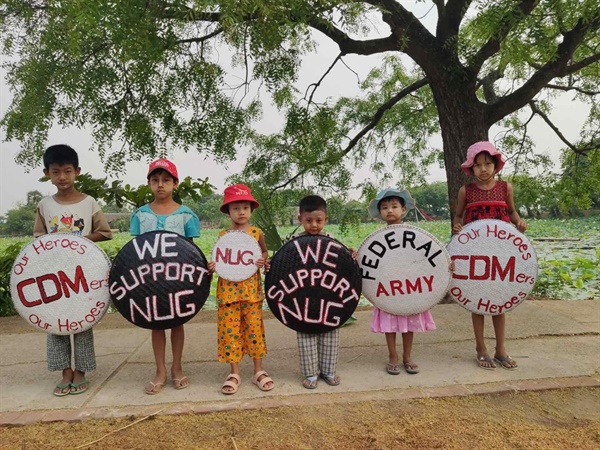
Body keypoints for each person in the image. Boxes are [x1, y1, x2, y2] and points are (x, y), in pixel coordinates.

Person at [33, 144, 113, 396]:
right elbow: (38, 238)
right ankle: (64, 371)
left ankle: (81, 372)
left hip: (83, 274)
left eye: (67, 171)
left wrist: (79, 241)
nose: (62, 177)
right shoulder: (45, 205)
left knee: (82, 321)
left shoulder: (89, 203)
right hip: (54, 275)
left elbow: (105, 232)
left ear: (77, 171)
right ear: (47, 173)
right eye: (56, 172)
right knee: (55, 321)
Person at [453, 141, 527, 370]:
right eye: (478, 165)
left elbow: (512, 211)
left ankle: (501, 349)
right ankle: (481, 348)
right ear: (471, 168)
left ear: (495, 165)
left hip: (501, 252)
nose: (483, 169)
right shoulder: (466, 191)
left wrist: (518, 223)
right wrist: (457, 227)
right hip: (476, 252)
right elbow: (458, 216)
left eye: (488, 164)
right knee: (477, 301)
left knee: (500, 301)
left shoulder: (506, 188)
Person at [130, 158, 201, 394]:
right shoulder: (140, 215)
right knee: (156, 324)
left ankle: (177, 368)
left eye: (166, 180)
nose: (161, 185)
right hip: (149, 280)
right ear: (149, 183)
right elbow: (136, 250)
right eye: (155, 180)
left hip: (177, 279)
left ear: (175, 184)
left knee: (177, 322)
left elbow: (192, 252)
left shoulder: (186, 215)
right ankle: (159, 370)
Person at [207, 184, 273, 395]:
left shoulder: (256, 233)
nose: (241, 212)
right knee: (230, 332)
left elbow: (264, 252)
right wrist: (213, 266)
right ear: (228, 211)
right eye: (236, 208)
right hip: (228, 293)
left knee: (254, 330)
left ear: (251, 209)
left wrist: (264, 260)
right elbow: (219, 259)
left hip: (251, 292)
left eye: (245, 207)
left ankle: (258, 370)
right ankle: (234, 372)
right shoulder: (223, 235)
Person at [367, 188, 436, 375]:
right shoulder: (376, 239)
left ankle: (407, 356)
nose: (390, 210)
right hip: (388, 288)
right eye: (385, 207)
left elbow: (425, 257)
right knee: (389, 325)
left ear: (403, 210)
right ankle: (392, 356)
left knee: (409, 321)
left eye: (394, 206)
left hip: (409, 287)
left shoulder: (413, 233)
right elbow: (371, 263)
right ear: (380, 212)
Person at [292, 195, 356, 389]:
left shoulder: (332, 242)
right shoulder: (293, 244)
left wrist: (351, 254)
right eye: (308, 220)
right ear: (300, 219)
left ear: (326, 220)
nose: (314, 225)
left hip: (328, 296)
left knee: (330, 333)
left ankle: (328, 370)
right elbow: (284, 269)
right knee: (305, 334)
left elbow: (343, 266)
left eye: (319, 220)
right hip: (303, 299)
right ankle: (311, 374)